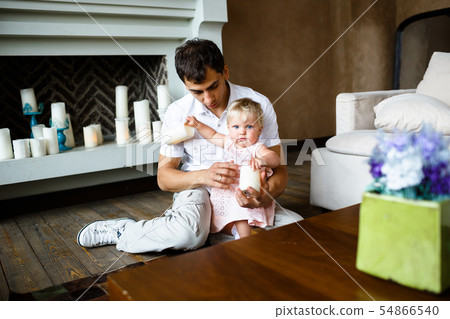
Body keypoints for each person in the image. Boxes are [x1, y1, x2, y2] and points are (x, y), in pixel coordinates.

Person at [77, 38, 302, 253]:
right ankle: (126, 231)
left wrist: (264, 193)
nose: (207, 98)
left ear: (225, 72)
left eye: (213, 86)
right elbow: (164, 178)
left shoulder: (257, 104)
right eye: (197, 91)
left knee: (297, 228)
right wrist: (204, 176)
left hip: (241, 191)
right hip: (197, 189)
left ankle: (213, 233)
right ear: (185, 84)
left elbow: (279, 169)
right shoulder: (178, 113)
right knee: (188, 235)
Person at [185, 98, 279, 239]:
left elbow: (275, 158)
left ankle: (245, 239)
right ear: (228, 128)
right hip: (227, 189)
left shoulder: (257, 148)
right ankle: (233, 231)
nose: (242, 132)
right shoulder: (228, 141)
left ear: (260, 129)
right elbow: (211, 134)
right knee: (221, 216)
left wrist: (262, 160)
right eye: (236, 127)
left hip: (246, 190)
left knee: (241, 213)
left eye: (249, 127)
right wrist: (197, 125)